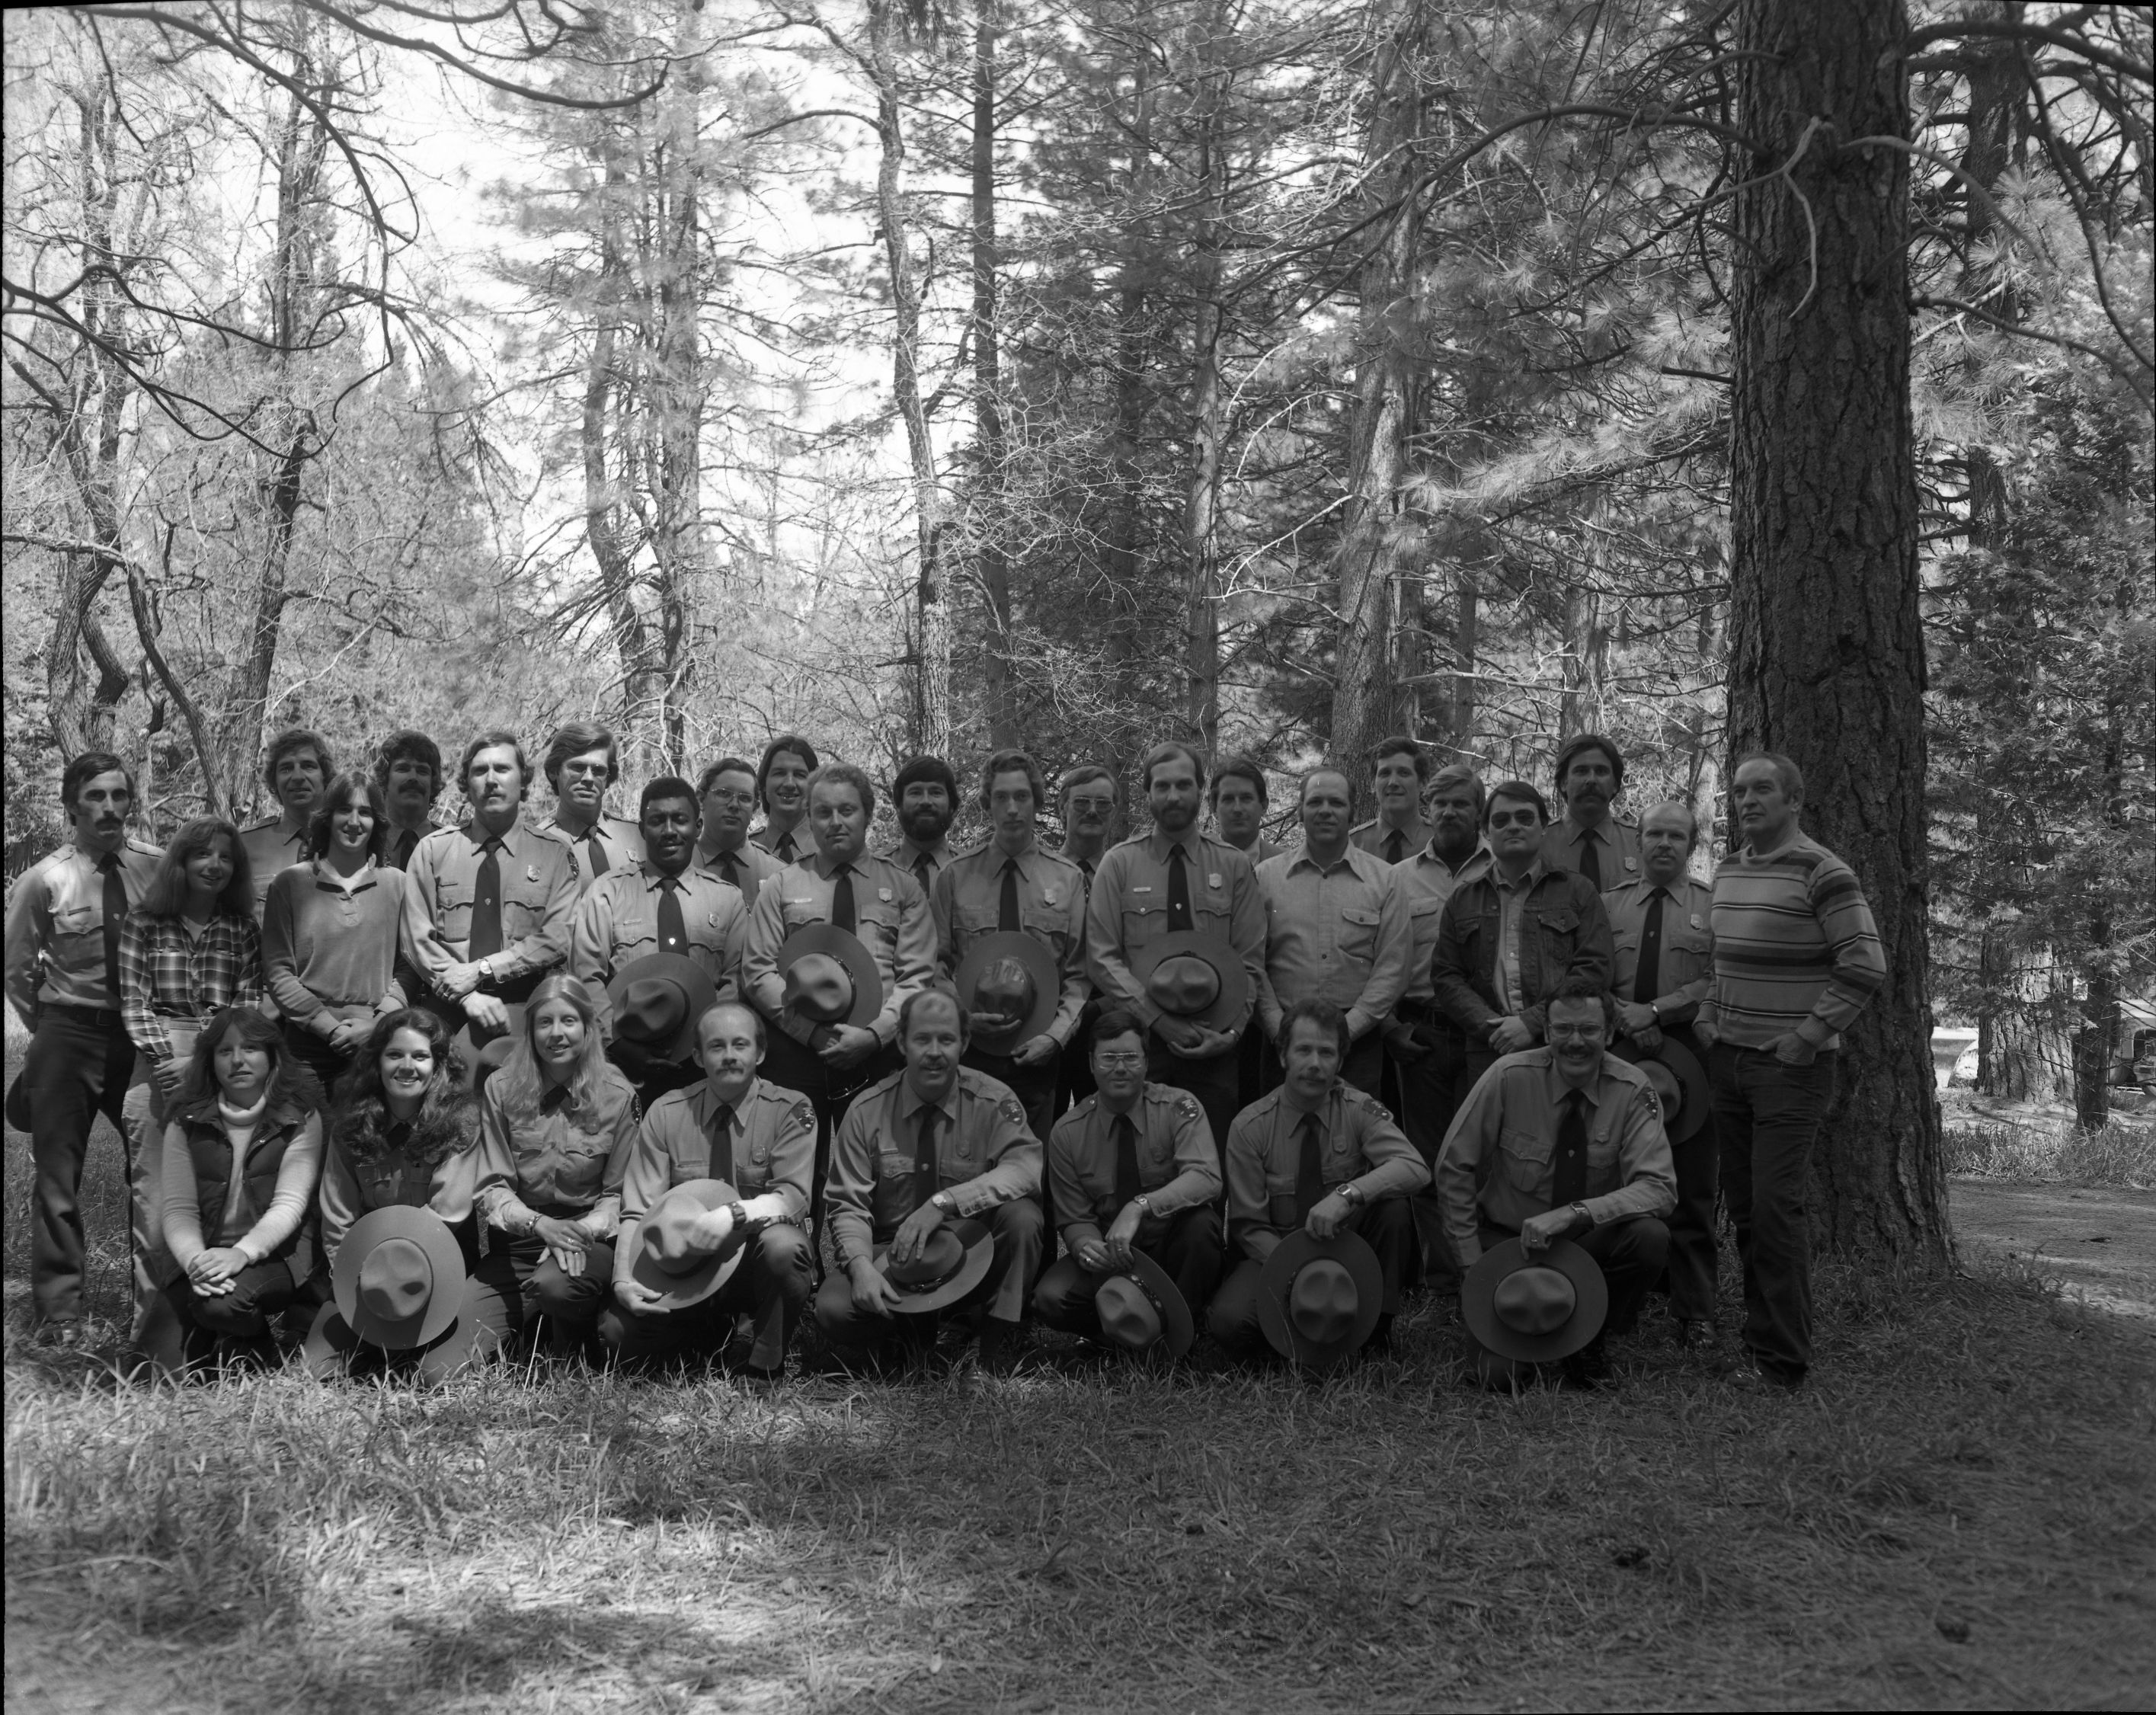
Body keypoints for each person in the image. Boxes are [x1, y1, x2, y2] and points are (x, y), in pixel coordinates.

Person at [1697, 753, 1885, 1390]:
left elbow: (1864, 964)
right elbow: (1719, 963)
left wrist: (1809, 1036)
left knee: (1777, 1208)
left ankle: (1783, 1361)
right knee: (1748, 1209)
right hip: (1728, 1062)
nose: (1748, 800)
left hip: (1789, 1070)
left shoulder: (1823, 871)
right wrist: (1706, 1015)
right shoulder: (1727, 869)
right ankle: (1760, 1343)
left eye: (1763, 790)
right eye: (1740, 790)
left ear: (1794, 799)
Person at [1437, 977, 1675, 1387]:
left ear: (1610, 1033)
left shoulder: (1633, 1089)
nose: (1575, 1042)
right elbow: (1453, 1166)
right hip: (1510, 1245)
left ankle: (1592, 1334)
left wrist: (1573, 1214)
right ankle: (1524, 1320)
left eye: (1589, 1030)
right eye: (1563, 1029)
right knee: (1499, 1378)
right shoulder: (1508, 1076)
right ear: (1546, 1032)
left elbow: (1659, 1188)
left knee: (1649, 1236)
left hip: (1588, 1245)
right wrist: (1473, 1266)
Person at [3, 753, 161, 1343]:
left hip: (141, 1037)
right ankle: (59, 1312)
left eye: (119, 795)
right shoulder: (44, 879)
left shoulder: (157, 867)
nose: (109, 808)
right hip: (67, 1033)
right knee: (57, 1178)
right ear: (72, 807)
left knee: (151, 1171)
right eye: (95, 797)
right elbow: (17, 967)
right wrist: (49, 1029)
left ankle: (156, 1305)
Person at [817, 990, 1044, 1373]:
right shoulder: (866, 1111)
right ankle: (910, 1330)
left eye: (947, 1039)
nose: (935, 1052)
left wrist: (944, 1204)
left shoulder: (993, 1101)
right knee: (835, 1309)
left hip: (973, 1251)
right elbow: (847, 1206)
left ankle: (988, 1346)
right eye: (922, 1039)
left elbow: (1024, 1167)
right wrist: (860, 1268)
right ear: (902, 1042)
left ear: (965, 1043)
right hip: (897, 1256)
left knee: (1023, 1218)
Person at [600, 1000, 817, 1376]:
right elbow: (637, 1207)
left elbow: (793, 1197)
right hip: (686, 1263)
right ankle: (703, 1332)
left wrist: (733, 1215)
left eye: (740, 1045)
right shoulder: (667, 1113)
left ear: (761, 1052)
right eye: (717, 1047)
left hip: (753, 1261)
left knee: (786, 1245)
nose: (729, 1056)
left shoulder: (790, 1110)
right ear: (699, 1057)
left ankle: (766, 1359)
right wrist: (622, 1279)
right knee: (617, 1336)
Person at [1208, 1000, 1428, 1359]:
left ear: (1340, 1062)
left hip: (1346, 1251)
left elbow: (1415, 1168)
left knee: (1393, 1209)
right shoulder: (1250, 1127)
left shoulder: (1359, 1109)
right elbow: (1249, 1228)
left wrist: (1347, 1194)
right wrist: (1299, 1270)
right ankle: (1301, 1324)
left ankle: (1374, 1332)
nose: (1314, 1064)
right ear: (1283, 1057)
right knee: (1230, 1325)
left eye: (1327, 1053)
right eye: (1304, 1050)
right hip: (1275, 1253)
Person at [305, 1009, 513, 1374]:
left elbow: (447, 1212)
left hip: (440, 1269)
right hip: (367, 1272)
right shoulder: (350, 1127)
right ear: (377, 1062)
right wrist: (356, 1272)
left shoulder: (461, 1123)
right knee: (316, 1369)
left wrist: (399, 1269)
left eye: (420, 1056)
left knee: (437, 1373)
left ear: (438, 1064)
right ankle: (375, 1338)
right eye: (394, 1055)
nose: (407, 1066)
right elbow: (337, 1215)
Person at [1084, 741, 1265, 1149]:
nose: (1173, 796)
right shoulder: (1119, 864)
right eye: (1162, 786)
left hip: (1215, 1046)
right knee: (1141, 1163)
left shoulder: (1234, 865)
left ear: (1201, 791)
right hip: (1139, 1048)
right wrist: (1157, 1020)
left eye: (1184, 785)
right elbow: (1102, 958)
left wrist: (1233, 1033)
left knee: (1212, 1167)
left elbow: (1250, 961)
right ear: (1147, 793)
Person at [743, 761, 935, 1134]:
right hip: (797, 1052)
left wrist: (876, 1035)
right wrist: (811, 1033)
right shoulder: (781, 886)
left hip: (879, 1052)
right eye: (823, 812)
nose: (835, 822)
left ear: (867, 815)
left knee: (879, 1165)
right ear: (809, 820)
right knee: (796, 1166)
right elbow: (757, 970)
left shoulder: (904, 888)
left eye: (847, 810)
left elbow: (916, 976)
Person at [136, 1008, 322, 1377]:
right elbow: (178, 1209)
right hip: (204, 1254)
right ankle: (227, 1340)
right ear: (210, 1059)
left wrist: (241, 1253)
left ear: (271, 1057)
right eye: (225, 1051)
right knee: (150, 1375)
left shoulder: (300, 1115)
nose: (238, 1060)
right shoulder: (185, 1117)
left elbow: (290, 1204)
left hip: (275, 1255)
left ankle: (260, 1349)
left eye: (251, 1048)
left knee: (222, 1304)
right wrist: (196, 1263)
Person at [1601, 799, 1718, 1347]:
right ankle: (1616, 1298)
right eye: (1654, 834)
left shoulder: (1712, 907)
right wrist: (1628, 1015)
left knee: (1692, 1186)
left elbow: (1718, 980)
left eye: (1676, 835)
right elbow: (1589, 972)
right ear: (1638, 842)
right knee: (1615, 1173)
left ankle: (1695, 1312)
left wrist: (1658, 1011)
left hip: (1689, 1061)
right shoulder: (1607, 906)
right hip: (1616, 1053)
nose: (1664, 844)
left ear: (1691, 845)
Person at [473, 974, 641, 1355]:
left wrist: (571, 1232)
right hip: (517, 1243)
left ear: (588, 1028)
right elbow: (493, 1185)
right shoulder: (501, 1088)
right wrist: (539, 1225)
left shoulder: (617, 1096)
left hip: (586, 1238)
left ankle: (572, 1324)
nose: (556, 1034)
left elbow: (619, 1195)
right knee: (443, 1368)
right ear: (530, 1032)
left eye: (568, 1021)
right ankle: (538, 1321)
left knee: (556, 1287)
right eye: (544, 1022)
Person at [1033, 1009, 1224, 1340]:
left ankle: (1182, 1332)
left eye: (1130, 1057)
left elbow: (1206, 1177)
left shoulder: (1178, 1108)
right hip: (1110, 1255)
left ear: (1147, 1063)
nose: (1120, 1068)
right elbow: (1073, 1217)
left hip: (1168, 1245)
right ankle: (1119, 1336)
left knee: (1202, 1230)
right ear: (1091, 1064)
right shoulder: (1067, 1132)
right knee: (1051, 1298)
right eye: (1109, 1058)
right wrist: (1085, 1247)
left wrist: (1140, 1206)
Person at [931, 749, 1088, 1140]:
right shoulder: (955, 877)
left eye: (1022, 797)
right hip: (969, 1051)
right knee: (965, 1162)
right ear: (987, 804)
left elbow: (1080, 975)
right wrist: (959, 1015)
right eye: (1001, 797)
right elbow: (933, 964)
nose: (1013, 808)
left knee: (1028, 1172)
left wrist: (1055, 1038)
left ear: (1036, 802)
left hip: (1036, 1055)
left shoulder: (1067, 880)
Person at [1384, 762, 1491, 1296]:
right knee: (1426, 1162)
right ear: (1427, 812)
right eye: (1441, 804)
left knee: (1481, 1158)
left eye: (1462, 804)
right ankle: (1445, 1281)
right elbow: (1379, 961)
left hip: (1486, 1039)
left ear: (1480, 812)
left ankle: (1485, 1272)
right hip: (1420, 1036)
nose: (1450, 813)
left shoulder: (1505, 870)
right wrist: (1388, 1026)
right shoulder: (1398, 879)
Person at [1431, 779, 1614, 1089]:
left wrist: (1532, 1023)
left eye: (1525, 818)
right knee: (1492, 1134)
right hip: (1489, 1046)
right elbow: (1446, 975)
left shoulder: (1578, 891)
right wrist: (1494, 1028)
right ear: (1486, 831)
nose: (1513, 826)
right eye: (1501, 820)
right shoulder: (1463, 900)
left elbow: (1594, 969)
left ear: (1544, 826)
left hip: (1562, 1042)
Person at [402, 728, 580, 1047]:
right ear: (466, 785)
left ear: (523, 783)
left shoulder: (555, 855)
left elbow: (558, 937)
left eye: (502, 769)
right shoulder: (433, 851)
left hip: (527, 1012)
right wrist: (468, 996)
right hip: (445, 1012)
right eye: (480, 771)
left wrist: (482, 969)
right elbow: (416, 939)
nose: (491, 780)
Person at [1252, 767, 1412, 1098]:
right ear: (1300, 811)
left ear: (1352, 811)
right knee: (1280, 1138)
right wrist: (1278, 1027)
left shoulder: (1385, 880)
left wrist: (1346, 1032)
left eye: (1336, 803)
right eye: (1315, 802)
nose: (1325, 810)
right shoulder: (1264, 878)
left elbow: (1393, 968)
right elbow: (1252, 963)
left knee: (1353, 1140)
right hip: (1283, 1036)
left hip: (1358, 1041)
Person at [262, 770, 409, 1093]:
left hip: (378, 1040)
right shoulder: (290, 883)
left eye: (366, 812)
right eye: (345, 810)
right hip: (307, 1047)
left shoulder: (398, 884)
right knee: (309, 1140)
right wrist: (327, 1027)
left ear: (377, 823)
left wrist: (377, 1023)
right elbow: (278, 973)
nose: (354, 822)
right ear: (327, 817)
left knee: (367, 1141)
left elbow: (408, 967)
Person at [571, 776, 748, 1041]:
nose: (669, 831)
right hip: (625, 1049)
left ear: (697, 827)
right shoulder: (606, 893)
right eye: (657, 821)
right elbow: (586, 978)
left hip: (706, 1052)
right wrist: (615, 1041)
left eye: (679, 819)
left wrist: (709, 1040)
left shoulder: (728, 900)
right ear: (642, 829)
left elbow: (735, 982)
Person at [118, 818, 263, 1131]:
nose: (215, 866)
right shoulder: (144, 921)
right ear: (181, 861)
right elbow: (134, 1002)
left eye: (225, 858)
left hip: (224, 1052)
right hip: (158, 1056)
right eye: (203, 855)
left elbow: (247, 1002)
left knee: (216, 1169)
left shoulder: (243, 927)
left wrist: (202, 1061)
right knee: (155, 1169)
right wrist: (167, 1063)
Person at [1054, 761, 1120, 1113]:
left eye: (1103, 804)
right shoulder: (1040, 873)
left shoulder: (1125, 873)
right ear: (1061, 807)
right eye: (1081, 802)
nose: (1092, 811)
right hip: (1049, 1017)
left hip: (1112, 1020)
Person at [241, 728, 334, 915]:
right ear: (274, 782)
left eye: (308, 766)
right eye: (286, 768)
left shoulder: (351, 842)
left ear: (325, 776)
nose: (298, 777)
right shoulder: (243, 846)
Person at [542, 720, 645, 887]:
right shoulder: (538, 845)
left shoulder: (639, 839)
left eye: (598, 770)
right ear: (554, 771)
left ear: (608, 777)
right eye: (578, 767)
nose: (589, 778)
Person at [1540, 733, 1641, 891]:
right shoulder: (1540, 844)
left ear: (1615, 784)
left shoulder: (1639, 845)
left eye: (1601, 771)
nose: (1591, 780)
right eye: (1581, 771)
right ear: (1564, 782)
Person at [695, 755, 786, 907]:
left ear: (755, 808)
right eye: (724, 794)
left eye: (744, 798)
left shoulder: (779, 875)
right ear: (701, 799)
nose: (734, 805)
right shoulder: (679, 867)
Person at [884, 754, 961, 897]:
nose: (926, 801)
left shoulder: (972, 871)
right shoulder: (875, 872)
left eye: (936, 792)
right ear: (898, 805)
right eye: (915, 792)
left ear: (952, 805)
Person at [1348, 737, 1431, 862]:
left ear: (1423, 783)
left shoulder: (1440, 843)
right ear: (1372, 784)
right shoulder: (1351, 846)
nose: (1393, 782)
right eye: (1385, 773)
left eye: (1404, 773)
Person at [374, 729, 445, 871]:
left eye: (422, 771)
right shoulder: (365, 842)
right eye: (403, 769)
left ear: (433, 783)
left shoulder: (451, 846)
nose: (413, 777)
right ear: (384, 779)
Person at [750, 734, 819, 864]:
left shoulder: (830, 851)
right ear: (764, 783)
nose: (789, 784)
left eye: (800, 775)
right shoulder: (745, 852)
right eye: (780, 773)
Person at [1209, 757, 1282, 862]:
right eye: (1228, 799)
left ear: (1264, 805)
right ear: (1214, 807)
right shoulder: (1197, 865)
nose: (1237, 809)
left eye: (1246, 799)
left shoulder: (1289, 867)